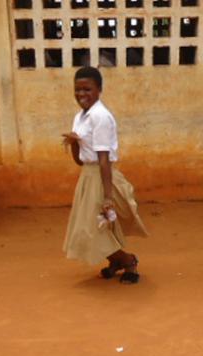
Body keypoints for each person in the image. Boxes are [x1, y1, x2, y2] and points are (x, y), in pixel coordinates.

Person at [62, 67, 148, 284]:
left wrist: (108, 196)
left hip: (102, 176)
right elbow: (81, 160)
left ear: (99, 89)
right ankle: (117, 261)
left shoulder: (100, 116)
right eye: (78, 90)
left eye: (87, 89)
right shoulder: (80, 117)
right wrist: (74, 144)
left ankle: (129, 261)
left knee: (95, 229)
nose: (82, 94)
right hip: (88, 176)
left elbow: (103, 159)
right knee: (91, 228)